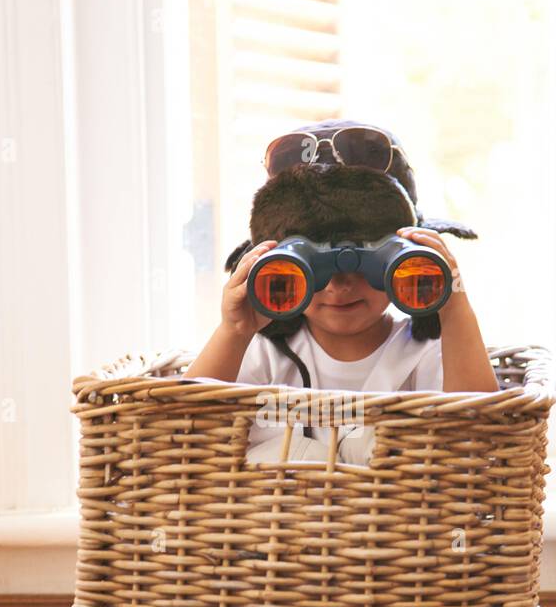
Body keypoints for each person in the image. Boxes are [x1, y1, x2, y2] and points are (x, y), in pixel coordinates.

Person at [184, 121, 499, 463]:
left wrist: (453, 307)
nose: (339, 284)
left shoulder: (426, 353)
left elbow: (479, 437)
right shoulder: (264, 353)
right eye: (311, 267)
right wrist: (233, 331)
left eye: (369, 262)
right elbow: (183, 433)